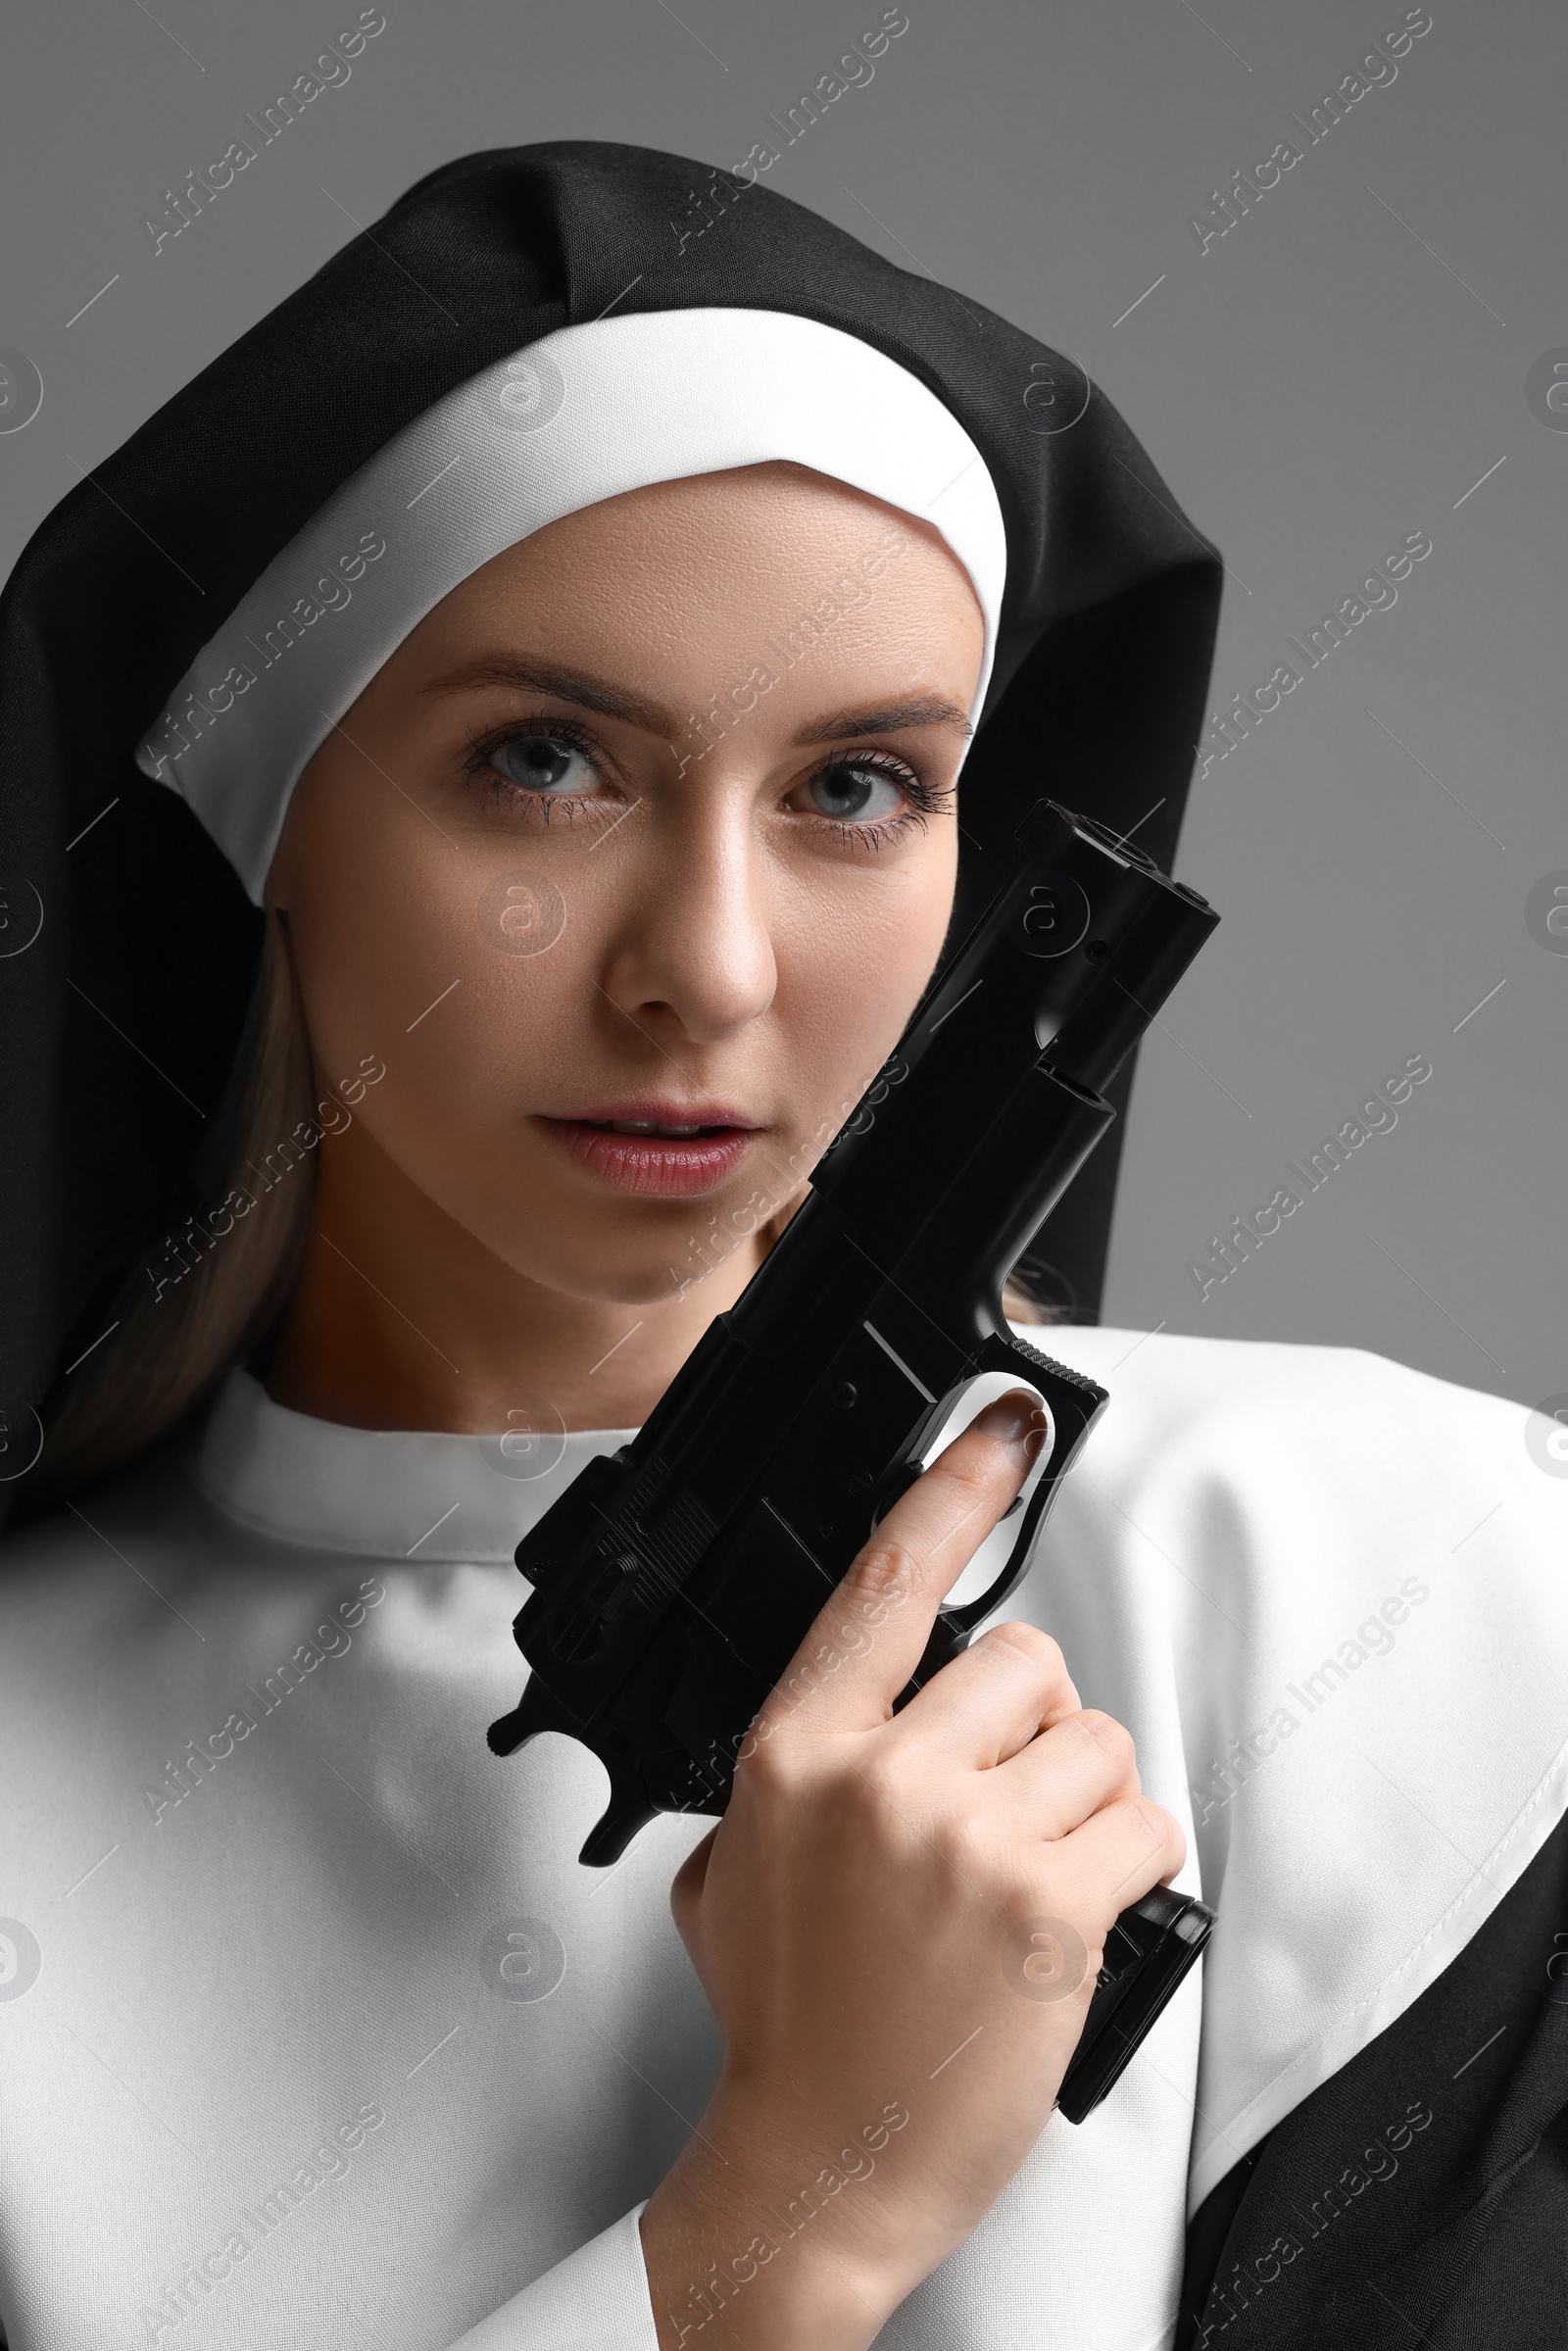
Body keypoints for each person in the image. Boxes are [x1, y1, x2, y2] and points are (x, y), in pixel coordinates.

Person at [0, 143, 1563, 2351]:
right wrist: (773, 2236)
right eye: (544, 763)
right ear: (266, 818)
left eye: (854, 788)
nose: (708, 975)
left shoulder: (1410, 1603)